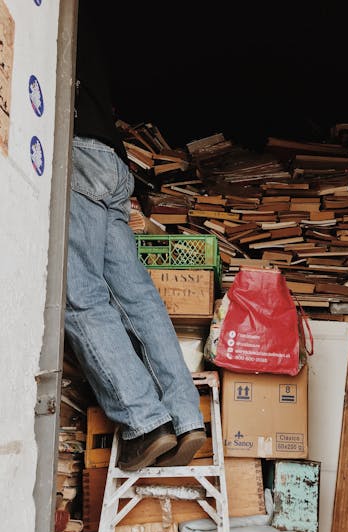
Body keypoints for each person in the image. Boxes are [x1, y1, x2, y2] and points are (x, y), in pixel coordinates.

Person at [64, 0, 206, 471]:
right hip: (113, 162)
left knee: (81, 298)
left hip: (79, 154)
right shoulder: (86, 25)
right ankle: (185, 416)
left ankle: (145, 423)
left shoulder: (49, 18)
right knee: (139, 298)